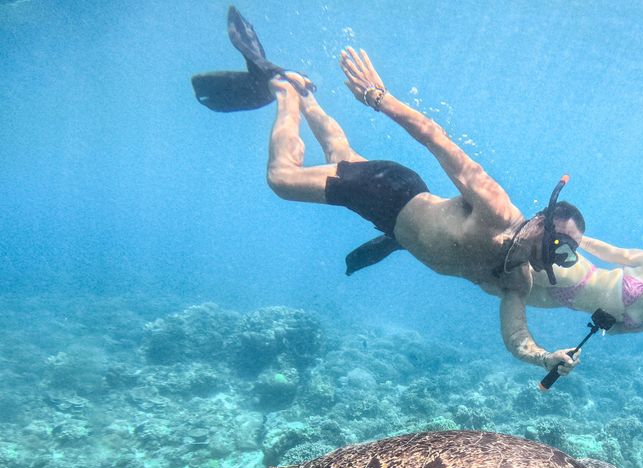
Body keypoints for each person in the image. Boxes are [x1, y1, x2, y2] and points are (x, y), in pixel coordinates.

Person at [192, 7, 584, 376]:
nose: (553, 255)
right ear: (540, 219)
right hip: (389, 192)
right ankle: (283, 88)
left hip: (395, 224)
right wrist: (378, 97)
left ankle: (304, 93)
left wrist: (545, 358)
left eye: (565, 255)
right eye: (557, 242)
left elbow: (516, 337)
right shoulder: (496, 208)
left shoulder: (516, 281)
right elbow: (437, 139)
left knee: (341, 154)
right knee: (281, 178)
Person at [526, 234, 643, 333]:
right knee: (515, 266)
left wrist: (609, 326)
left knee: (505, 288)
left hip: (561, 301)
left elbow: (617, 331)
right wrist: (572, 236)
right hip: (576, 275)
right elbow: (607, 252)